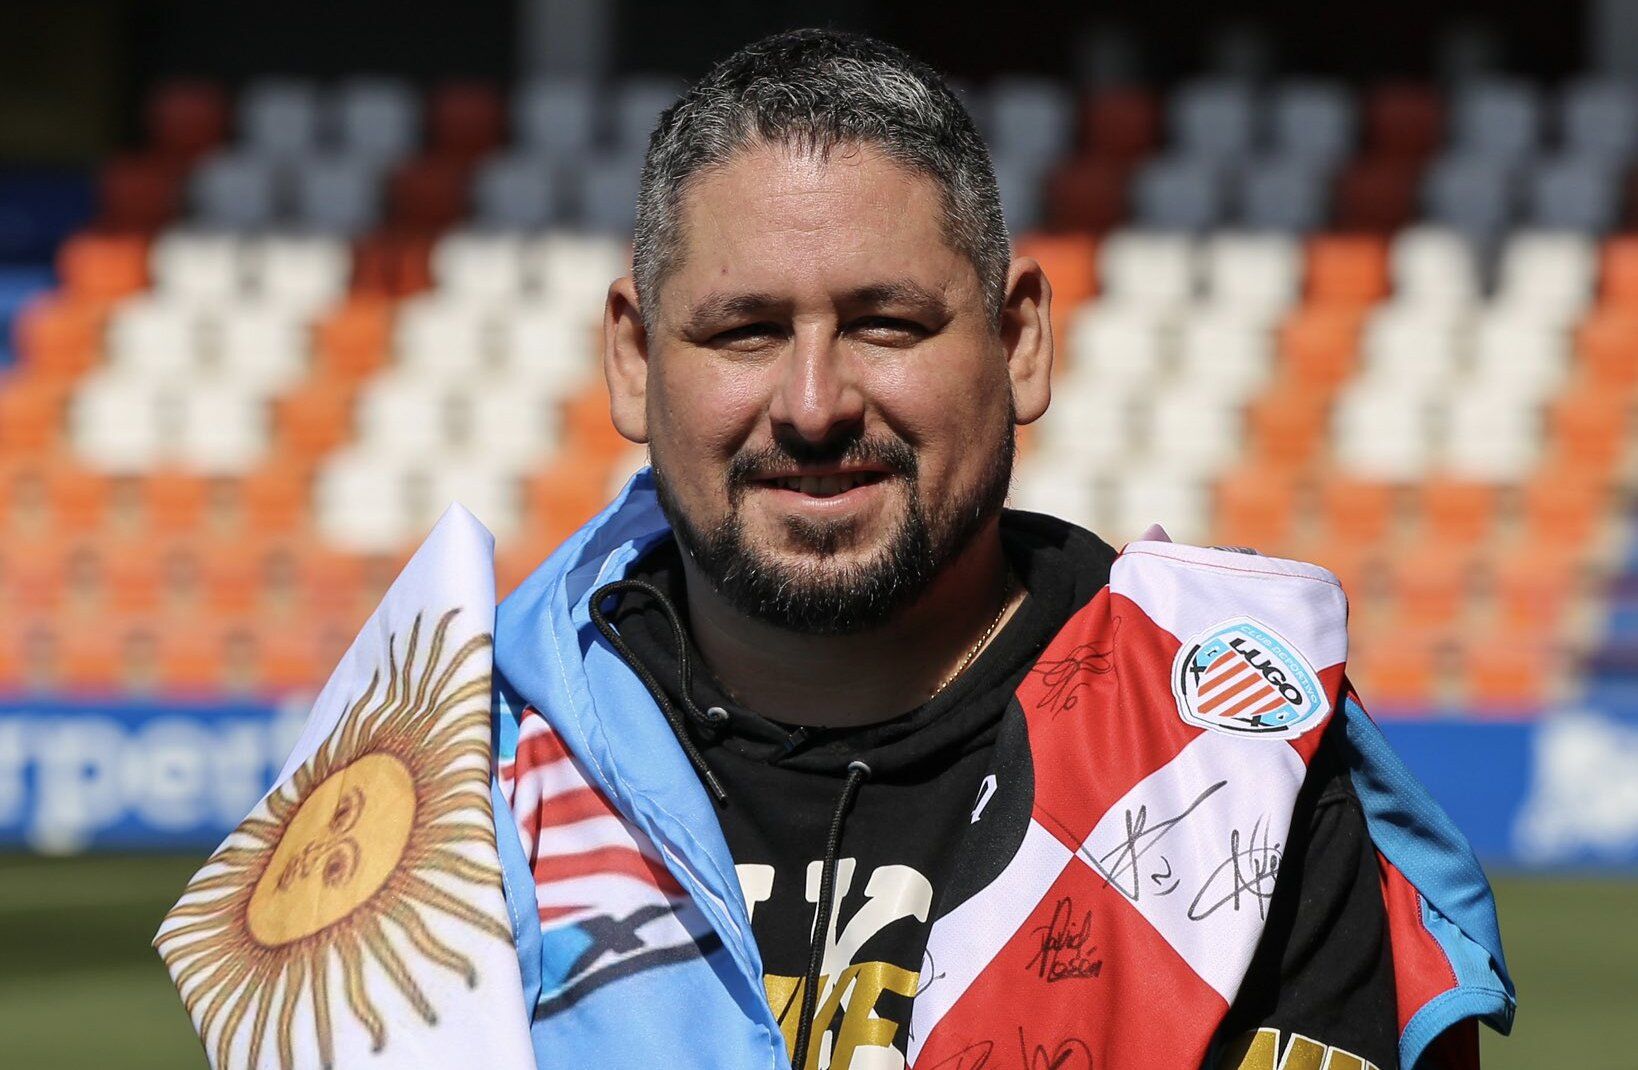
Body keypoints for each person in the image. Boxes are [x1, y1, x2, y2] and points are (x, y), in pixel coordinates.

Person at [158, 28, 1513, 1070]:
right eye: (743, 330)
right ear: (634, 360)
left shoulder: (1229, 763)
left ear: (1020, 338)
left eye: (885, 322)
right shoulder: (455, 780)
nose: (811, 406)